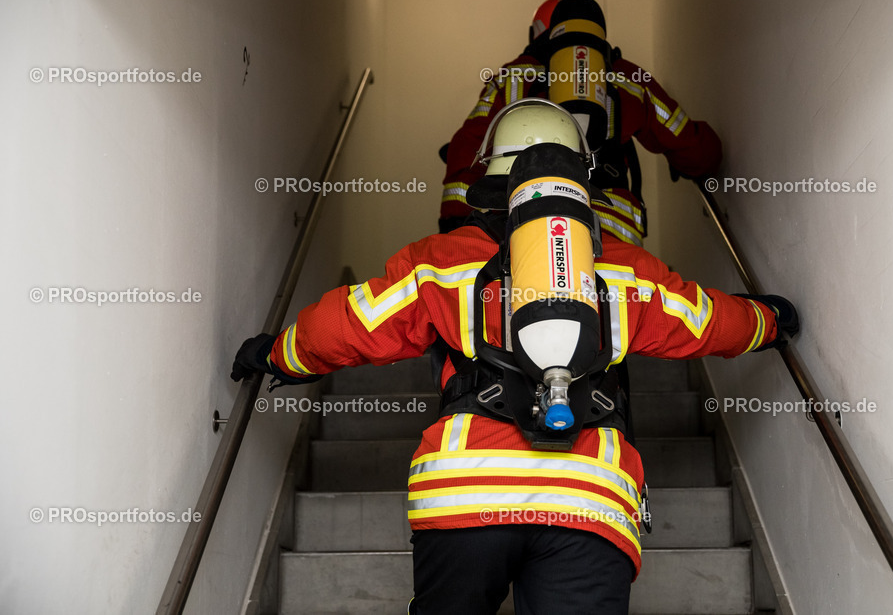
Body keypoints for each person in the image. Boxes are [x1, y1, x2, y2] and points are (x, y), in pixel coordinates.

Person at [232, 99, 798, 614]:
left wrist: (275, 355)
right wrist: (771, 320)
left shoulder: (442, 262)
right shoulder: (624, 269)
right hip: (590, 500)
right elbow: (707, 322)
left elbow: (344, 328)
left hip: (464, 493)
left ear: (493, 178)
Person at [439, 0, 724, 246]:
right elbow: (691, 143)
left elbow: (465, 151)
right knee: (621, 302)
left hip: (526, 216)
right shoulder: (628, 79)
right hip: (614, 226)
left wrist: (455, 225)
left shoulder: (511, 77)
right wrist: (698, 161)